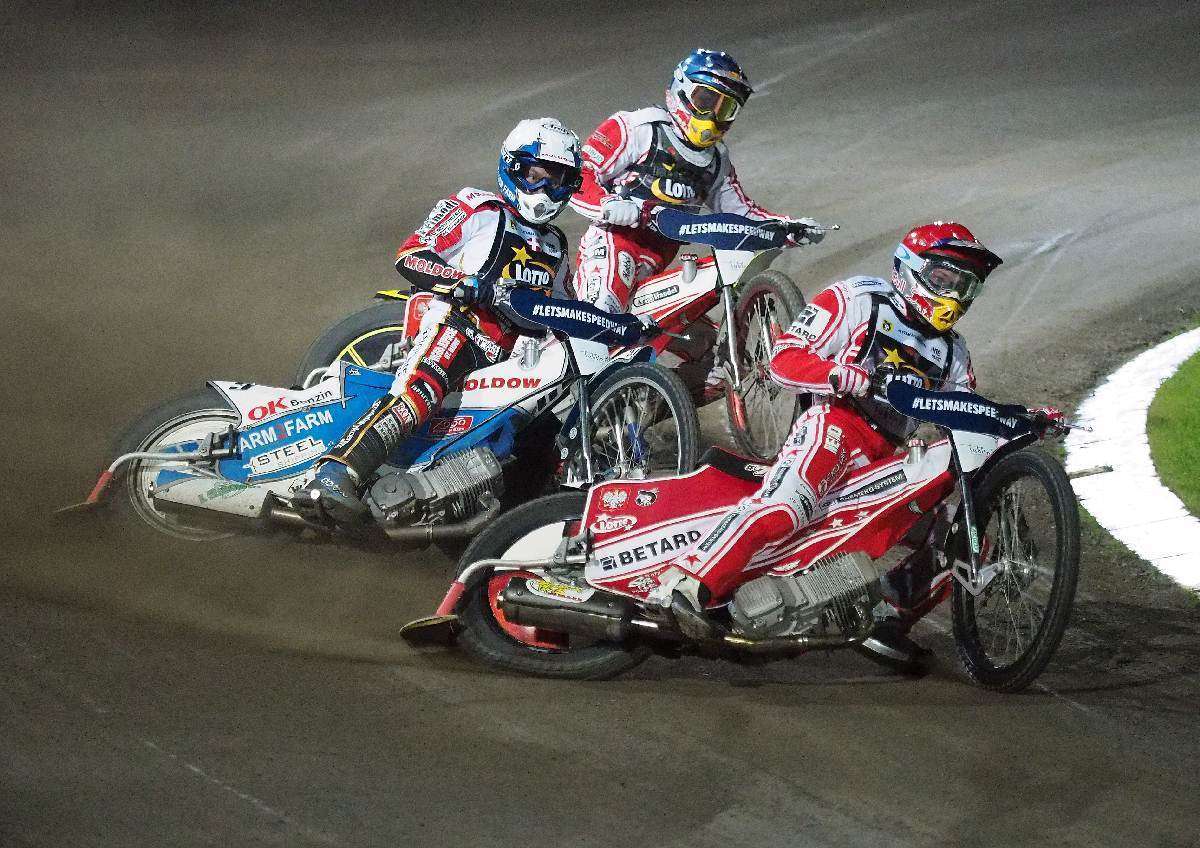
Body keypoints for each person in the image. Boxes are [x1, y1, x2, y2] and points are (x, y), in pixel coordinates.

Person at [648, 221, 1061, 664]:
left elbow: (963, 415)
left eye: (966, 286)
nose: (954, 295)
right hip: (833, 427)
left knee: (958, 537)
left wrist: (1020, 419)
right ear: (911, 269)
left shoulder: (954, 352)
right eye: (945, 279)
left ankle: (887, 617)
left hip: (889, 459)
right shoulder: (860, 298)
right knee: (785, 508)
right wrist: (838, 374)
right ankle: (685, 584)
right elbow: (784, 359)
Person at [293, 118, 648, 524]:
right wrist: (464, 283)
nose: (546, 190)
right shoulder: (478, 209)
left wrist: (621, 325)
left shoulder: (555, 244)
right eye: (537, 175)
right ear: (513, 168)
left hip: (513, 361)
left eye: (558, 181)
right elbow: (412, 254)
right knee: (420, 392)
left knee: (527, 438)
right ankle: (335, 474)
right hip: (459, 327)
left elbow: (564, 305)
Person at [569, 48, 822, 401]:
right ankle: (580, 406)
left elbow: (742, 213)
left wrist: (789, 228)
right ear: (681, 91)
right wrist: (610, 205)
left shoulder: (716, 161)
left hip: (655, 269)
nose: (713, 115)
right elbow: (577, 173)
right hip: (613, 245)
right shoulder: (638, 128)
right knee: (601, 325)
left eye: (726, 108)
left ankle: (654, 408)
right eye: (706, 100)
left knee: (715, 359)